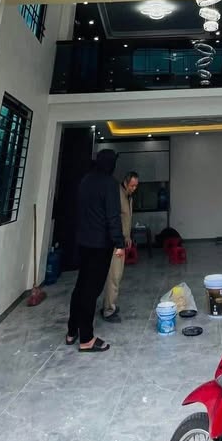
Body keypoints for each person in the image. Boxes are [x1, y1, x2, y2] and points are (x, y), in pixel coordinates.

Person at [66, 149, 125, 353]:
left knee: (81, 287)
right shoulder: (109, 184)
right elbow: (113, 216)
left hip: (83, 243)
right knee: (91, 292)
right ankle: (86, 339)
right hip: (100, 246)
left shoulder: (85, 181)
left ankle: (72, 331)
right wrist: (119, 243)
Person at [101, 171, 140, 322]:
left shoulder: (129, 197)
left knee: (116, 276)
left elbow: (126, 219)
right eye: (132, 185)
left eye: (136, 186)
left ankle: (109, 304)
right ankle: (108, 311)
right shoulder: (117, 195)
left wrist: (128, 236)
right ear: (125, 182)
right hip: (116, 243)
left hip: (122, 241)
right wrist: (119, 241)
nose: (134, 188)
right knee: (114, 276)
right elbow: (113, 219)